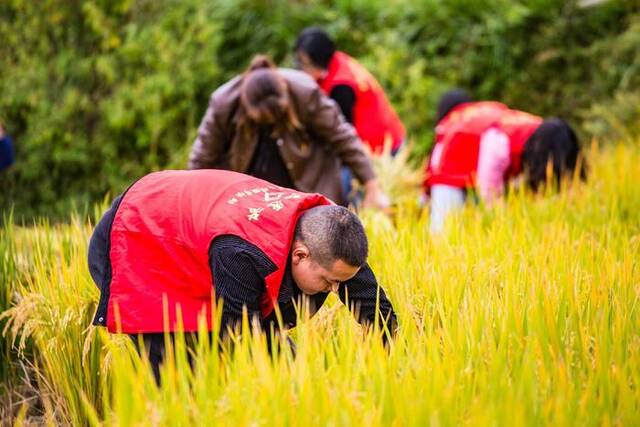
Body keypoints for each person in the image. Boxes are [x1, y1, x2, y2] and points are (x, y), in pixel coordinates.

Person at [88, 169, 397, 382]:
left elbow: (374, 309)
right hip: (139, 233)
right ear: (299, 254)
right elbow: (239, 337)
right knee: (179, 372)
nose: (334, 290)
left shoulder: (334, 233)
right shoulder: (242, 253)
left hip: (198, 227)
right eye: (330, 282)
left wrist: (398, 361)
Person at [188, 54, 390, 211]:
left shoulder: (305, 92)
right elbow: (203, 158)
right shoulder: (223, 103)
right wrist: (193, 203)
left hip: (309, 183)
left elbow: (342, 136)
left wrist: (372, 186)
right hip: (249, 195)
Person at [424, 89, 584, 233]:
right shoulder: (498, 142)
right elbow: (489, 194)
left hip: (475, 164)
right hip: (451, 172)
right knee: (443, 232)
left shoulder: (543, 131)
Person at [294, 27, 406, 202]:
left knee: (350, 197)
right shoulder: (336, 61)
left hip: (380, 149)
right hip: (375, 140)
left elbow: (339, 134)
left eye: (306, 65)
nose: (302, 70)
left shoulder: (342, 86)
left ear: (321, 61)